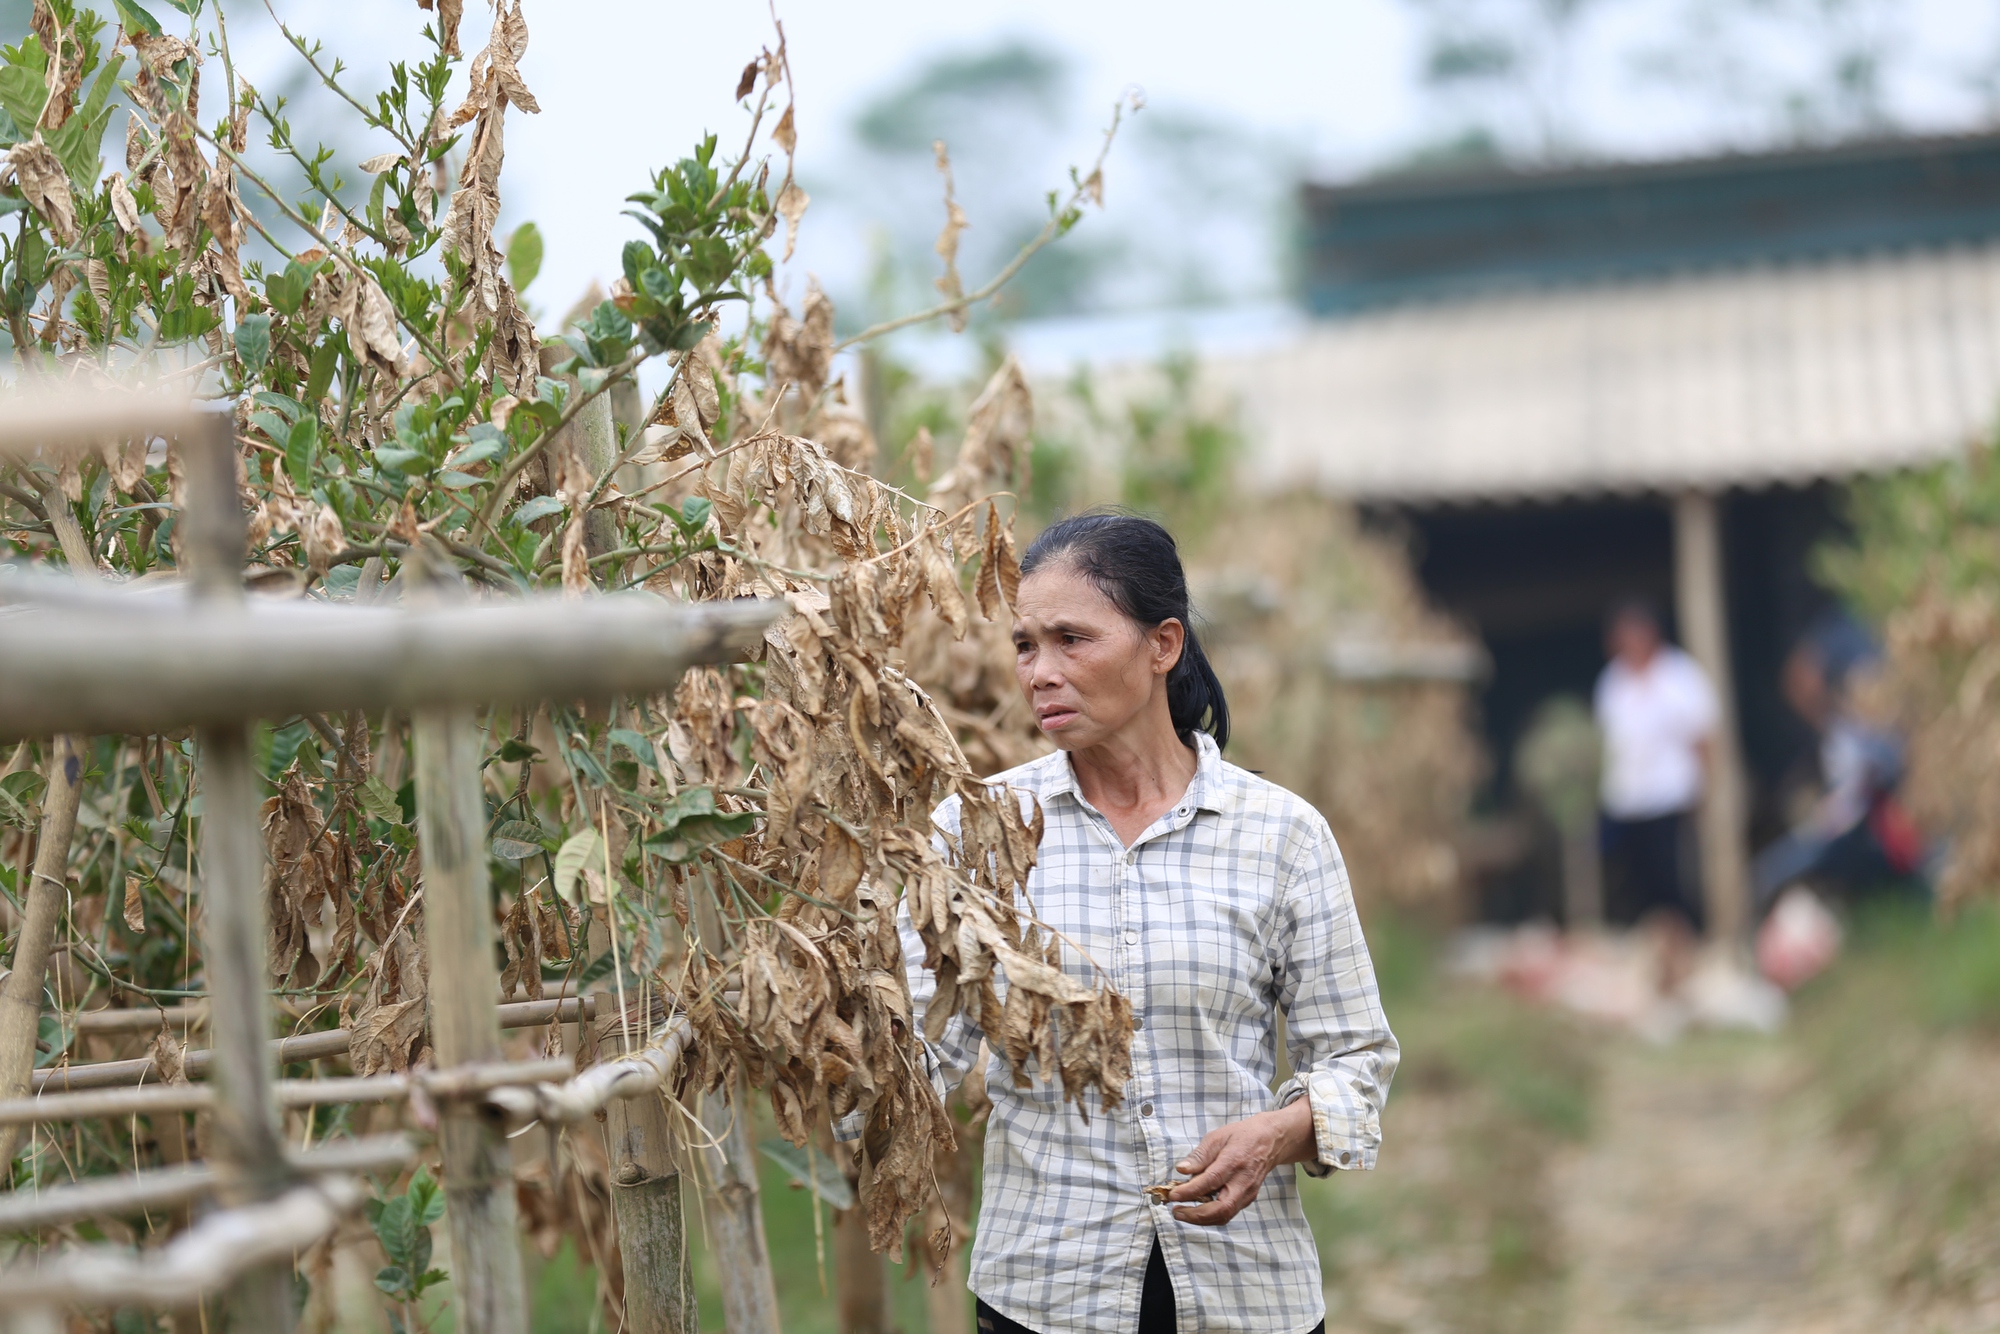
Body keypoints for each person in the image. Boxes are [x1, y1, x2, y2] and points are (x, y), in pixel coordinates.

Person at [911, 512, 1397, 1334]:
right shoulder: (975, 830)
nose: (1041, 672)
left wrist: (1280, 1133)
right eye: (1027, 644)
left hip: (1246, 1291)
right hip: (1046, 1293)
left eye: (1073, 639)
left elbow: (1357, 1058)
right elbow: (912, 1058)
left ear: (1162, 644)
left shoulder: (1280, 835)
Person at [1753, 612, 1923, 906]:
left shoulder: (1876, 732)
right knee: (1771, 871)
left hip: (1871, 819)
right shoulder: (1842, 730)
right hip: (1847, 819)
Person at [1593, 598, 1717, 933]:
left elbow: (1703, 739)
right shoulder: (1611, 682)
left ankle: (1692, 940)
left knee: (1673, 880)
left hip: (1669, 798)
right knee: (1635, 882)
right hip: (1627, 801)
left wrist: (1707, 790)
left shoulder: (1680, 676)